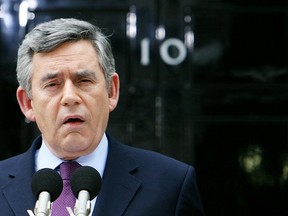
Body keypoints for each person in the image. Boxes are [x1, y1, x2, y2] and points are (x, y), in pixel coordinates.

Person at [0, 18, 204, 216]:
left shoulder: (170, 184)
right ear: (27, 103)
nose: (70, 97)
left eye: (84, 80)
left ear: (111, 91)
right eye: (52, 84)